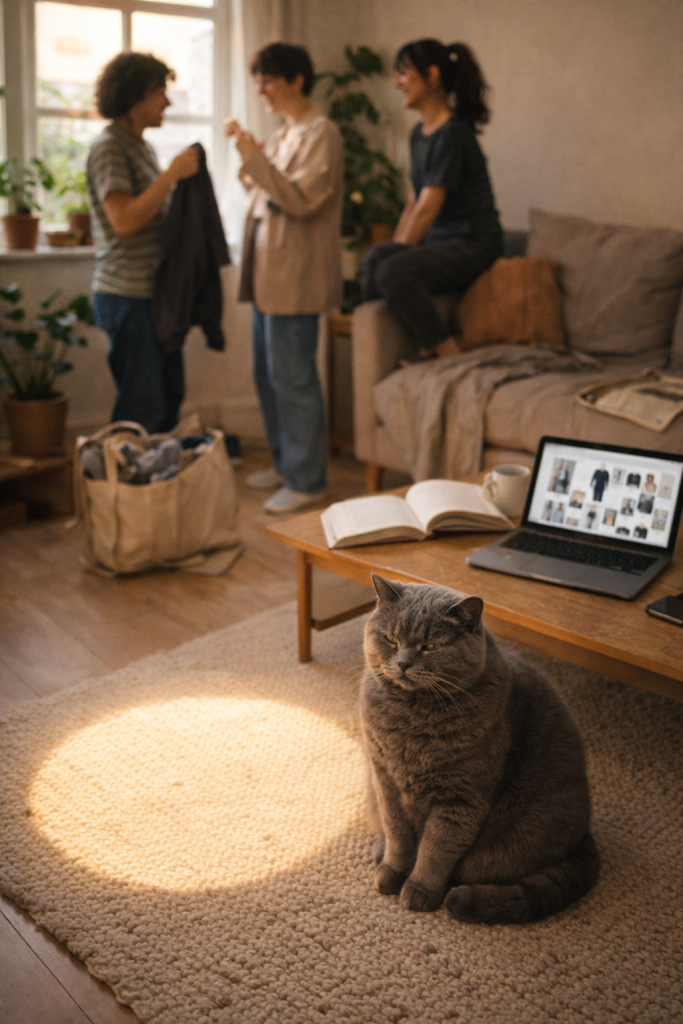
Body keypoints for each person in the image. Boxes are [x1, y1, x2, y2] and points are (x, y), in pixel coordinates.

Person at [232, 43, 343, 514]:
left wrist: (255, 164)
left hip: (295, 276)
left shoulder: (322, 132)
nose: (261, 90)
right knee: (267, 373)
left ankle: (307, 478)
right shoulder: (286, 133)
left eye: (269, 80)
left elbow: (299, 200)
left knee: (293, 376)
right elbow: (266, 193)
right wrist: (254, 166)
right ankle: (286, 462)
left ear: (297, 80)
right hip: (267, 274)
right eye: (258, 81)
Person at [360, 39, 502, 359]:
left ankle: (447, 353)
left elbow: (427, 210)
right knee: (374, 260)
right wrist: (391, 249)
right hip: (443, 243)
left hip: (474, 241)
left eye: (405, 74)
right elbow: (414, 201)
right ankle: (396, 352)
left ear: (432, 75)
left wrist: (396, 256)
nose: (398, 83)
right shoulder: (419, 134)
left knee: (392, 270)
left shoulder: (454, 132)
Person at [87, 52, 199, 433]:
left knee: (167, 401)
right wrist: (169, 177)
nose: (167, 101)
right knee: (142, 409)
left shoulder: (141, 147)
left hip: (152, 297)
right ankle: (124, 490)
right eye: (159, 92)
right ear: (134, 95)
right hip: (127, 296)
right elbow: (124, 222)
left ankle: (158, 490)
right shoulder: (110, 148)